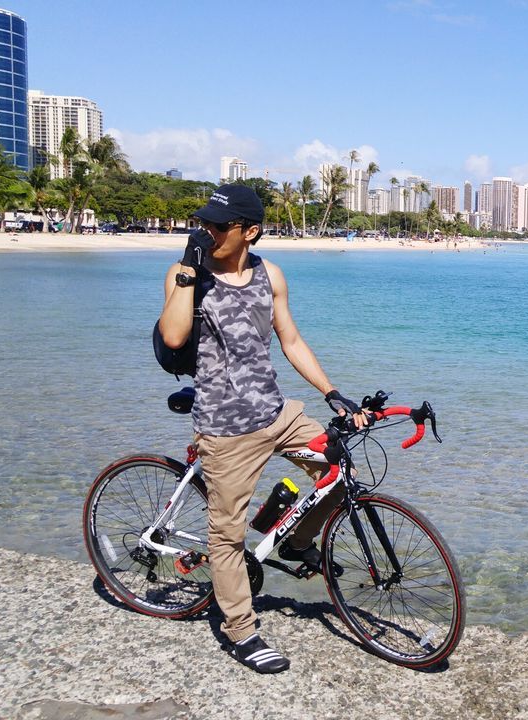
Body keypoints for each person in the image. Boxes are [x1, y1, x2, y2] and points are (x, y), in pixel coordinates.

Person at [157, 184, 368, 674]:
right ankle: (241, 631)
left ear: (249, 231)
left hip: (278, 414)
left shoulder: (269, 274)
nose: (207, 230)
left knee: (339, 469)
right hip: (225, 429)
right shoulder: (185, 274)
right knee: (226, 536)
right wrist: (189, 267)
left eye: (218, 225)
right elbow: (173, 335)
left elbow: (290, 339)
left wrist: (331, 392)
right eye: (203, 222)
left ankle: (296, 543)